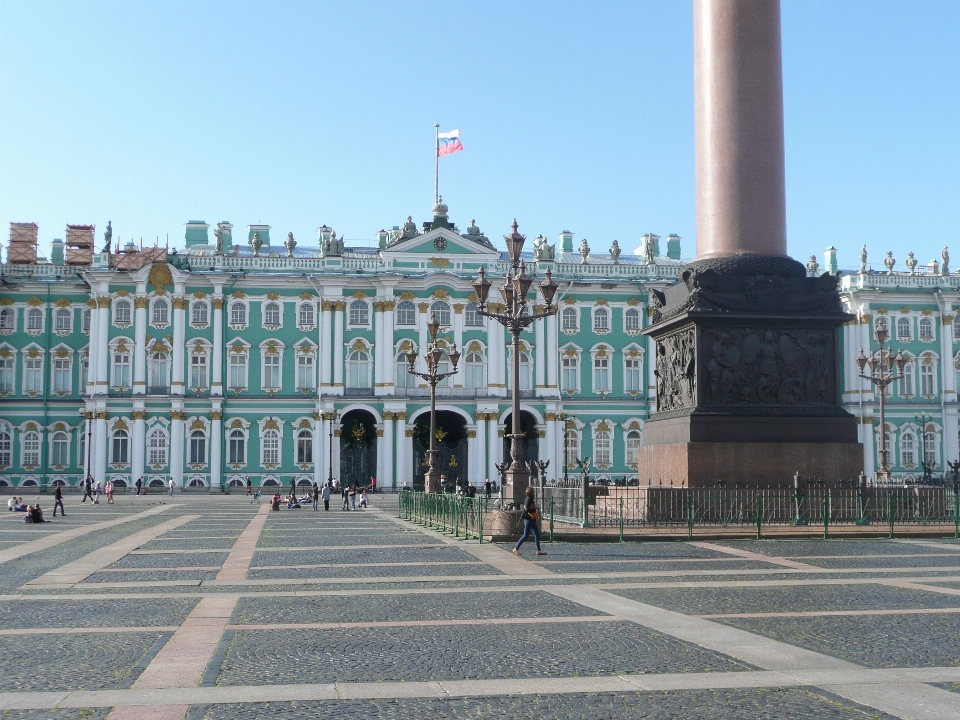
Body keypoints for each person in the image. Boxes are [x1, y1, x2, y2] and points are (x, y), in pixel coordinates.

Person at [513, 487, 546, 557]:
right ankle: (516, 548)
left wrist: (536, 508)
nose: (534, 493)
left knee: (537, 534)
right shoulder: (528, 499)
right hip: (528, 519)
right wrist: (535, 510)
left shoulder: (529, 499)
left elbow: (530, 507)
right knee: (525, 535)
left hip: (531, 519)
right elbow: (527, 509)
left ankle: (539, 550)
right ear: (530, 493)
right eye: (533, 492)